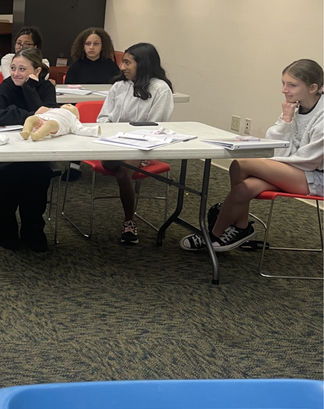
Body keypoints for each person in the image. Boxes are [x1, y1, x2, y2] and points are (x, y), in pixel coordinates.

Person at [181, 59, 323, 253]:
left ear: (313, 87)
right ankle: (239, 227)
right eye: (283, 83)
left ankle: (214, 235)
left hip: (315, 177)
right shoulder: (295, 107)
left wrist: (266, 166)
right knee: (244, 189)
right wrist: (285, 120)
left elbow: (309, 161)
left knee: (241, 164)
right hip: (295, 171)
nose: (284, 90)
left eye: (292, 85)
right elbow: (279, 148)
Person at [96, 42, 174, 244]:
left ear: (144, 64)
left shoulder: (160, 89)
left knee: (123, 171)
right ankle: (129, 218)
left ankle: (129, 221)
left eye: (128, 63)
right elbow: (103, 118)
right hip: (114, 144)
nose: (123, 67)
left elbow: (156, 126)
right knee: (117, 163)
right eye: (123, 62)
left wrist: (132, 138)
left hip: (143, 146)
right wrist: (113, 133)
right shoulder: (119, 87)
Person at [0, 48, 59, 252]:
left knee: (37, 177)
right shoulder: (6, 86)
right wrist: (27, 116)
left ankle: (33, 228)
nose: (16, 73)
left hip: (39, 149)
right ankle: (6, 227)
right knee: (11, 175)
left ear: (36, 70)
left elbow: (48, 118)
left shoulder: (45, 88)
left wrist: (30, 89)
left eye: (22, 69)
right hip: (7, 149)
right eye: (13, 68)